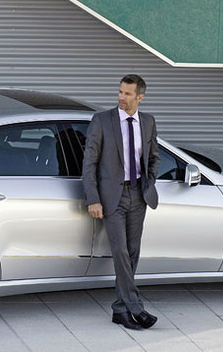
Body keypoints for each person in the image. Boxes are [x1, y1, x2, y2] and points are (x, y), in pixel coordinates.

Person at [82, 74, 160, 330]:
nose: (121, 97)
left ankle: (120, 309)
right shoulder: (102, 121)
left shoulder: (148, 122)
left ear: (140, 97)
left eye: (127, 94)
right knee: (120, 252)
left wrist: (149, 183)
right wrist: (93, 198)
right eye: (120, 92)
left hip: (138, 195)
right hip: (111, 198)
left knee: (134, 252)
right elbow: (90, 163)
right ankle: (136, 308)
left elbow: (153, 157)